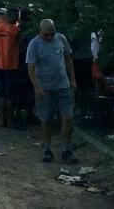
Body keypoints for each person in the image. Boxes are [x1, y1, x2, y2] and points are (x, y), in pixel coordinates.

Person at [26, 19, 78, 164]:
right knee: (46, 119)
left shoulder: (61, 39)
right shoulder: (34, 44)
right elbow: (31, 68)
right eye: (46, 35)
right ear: (40, 32)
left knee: (68, 118)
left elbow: (68, 59)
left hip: (63, 86)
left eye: (52, 34)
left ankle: (66, 150)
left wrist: (73, 79)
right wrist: (37, 87)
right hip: (45, 88)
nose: (49, 37)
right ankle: (47, 149)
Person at [0, 7, 22, 128]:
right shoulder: (16, 30)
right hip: (12, 66)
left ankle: (1, 120)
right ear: (12, 16)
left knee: (1, 94)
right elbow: (21, 47)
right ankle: (9, 121)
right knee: (10, 95)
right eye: (17, 16)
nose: (18, 18)